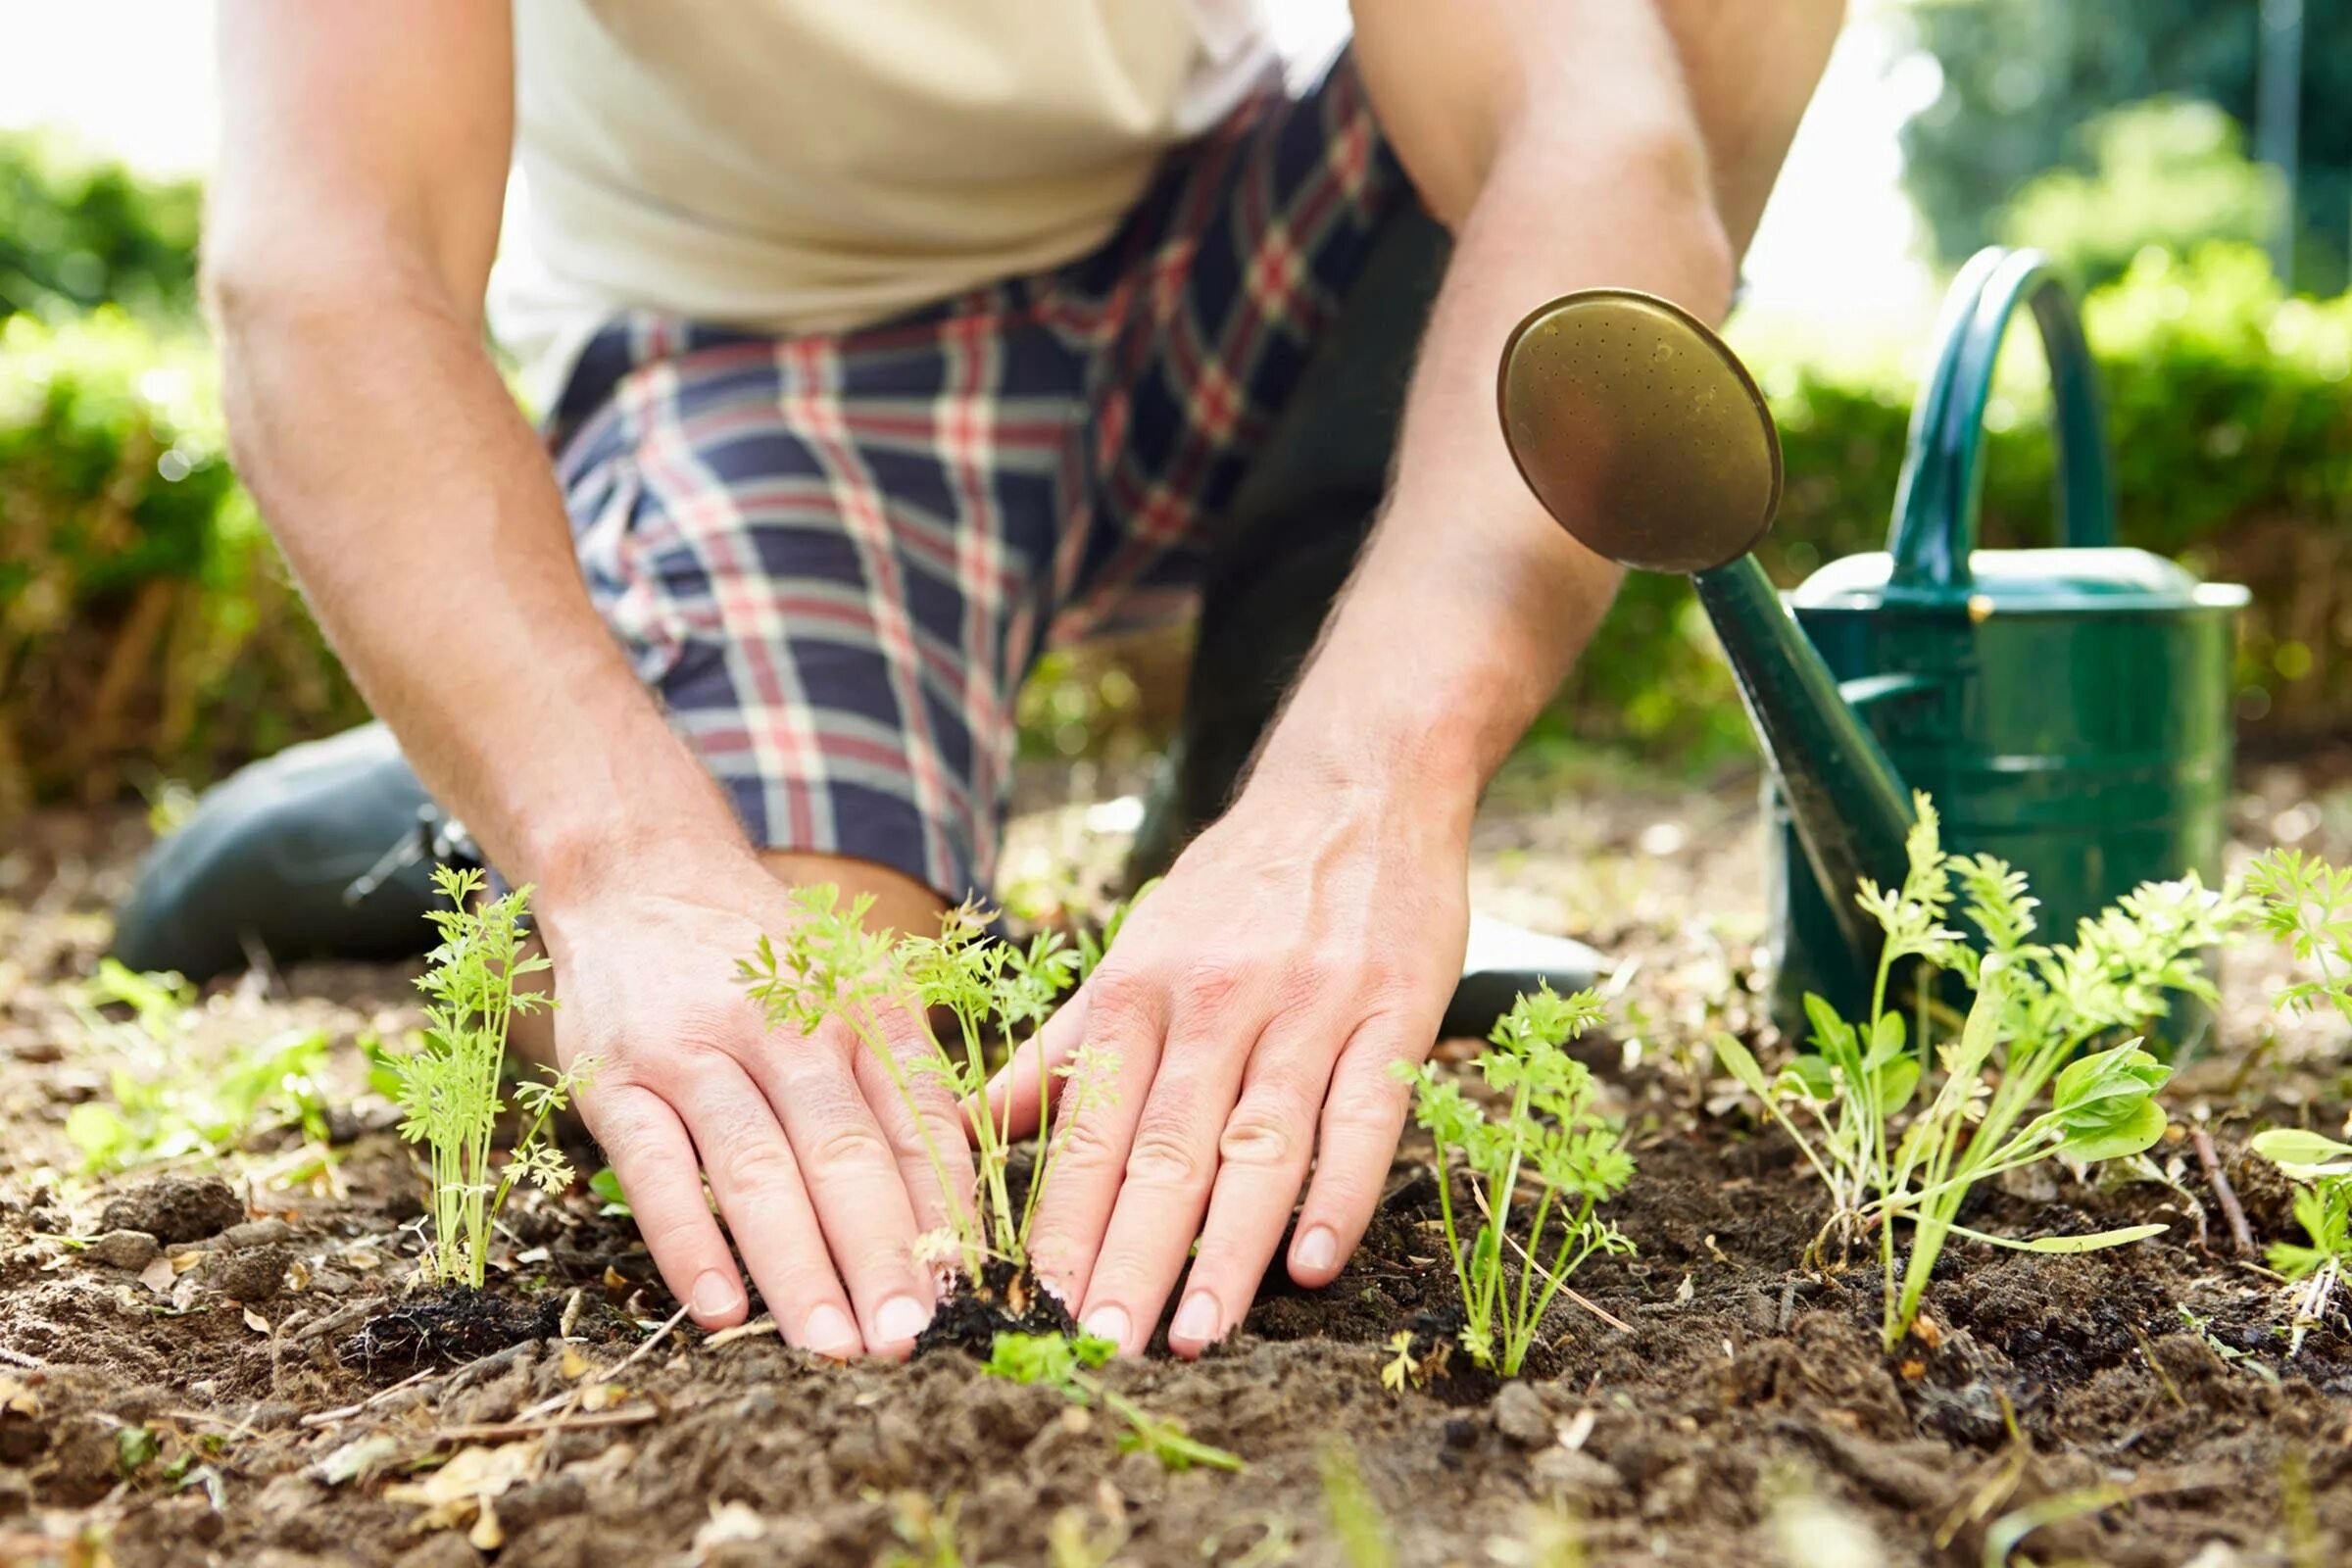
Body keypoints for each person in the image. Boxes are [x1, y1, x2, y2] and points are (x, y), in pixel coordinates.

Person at [172, 0, 1840, 1363]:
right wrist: (621, 861)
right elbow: (327, 263)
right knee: (819, 1020)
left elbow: (1592, 138)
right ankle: (507, 749)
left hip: (1226, 253)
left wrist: (1371, 780)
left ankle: (1249, 791)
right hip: (786, 346)